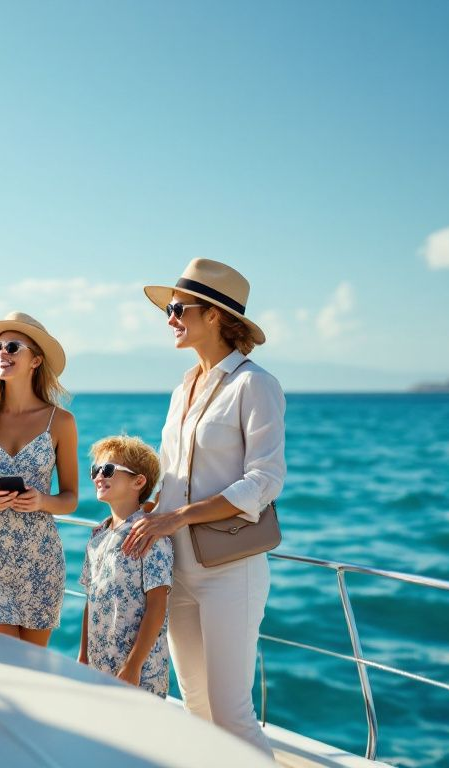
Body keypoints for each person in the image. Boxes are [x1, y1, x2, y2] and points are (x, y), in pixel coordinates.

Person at [122, 258, 285, 755]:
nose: (169, 319)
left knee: (232, 714)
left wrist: (180, 516)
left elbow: (265, 480)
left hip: (231, 570)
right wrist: (144, 509)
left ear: (213, 315)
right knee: (194, 707)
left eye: (178, 309)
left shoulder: (254, 384)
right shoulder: (182, 388)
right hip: (177, 568)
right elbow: (175, 476)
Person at [0, 312, 78, 647]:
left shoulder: (61, 422)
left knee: (31, 670)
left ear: (35, 359)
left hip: (41, 559)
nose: (1, 353)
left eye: (12, 346)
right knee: (0, 659)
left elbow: (70, 498)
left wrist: (42, 500)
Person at [77, 435, 172, 697]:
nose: (98, 476)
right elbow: (91, 600)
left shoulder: (150, 534)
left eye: (108, 470)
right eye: (95, 470)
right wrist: (83, 655)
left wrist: (133, 666)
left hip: (139, 671)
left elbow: (157, 605)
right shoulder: (97, 535)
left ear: (138, 481)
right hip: (99, 663)